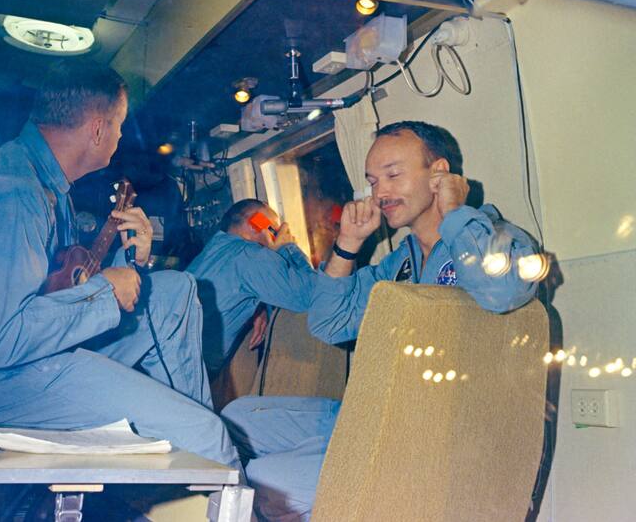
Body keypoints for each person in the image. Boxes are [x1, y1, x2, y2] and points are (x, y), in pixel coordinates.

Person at [0, 60, 240, 468]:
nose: (121, 136)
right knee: (207, 433)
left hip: (19, 360)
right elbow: (2, 340)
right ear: (97, 129)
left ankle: (179, 434)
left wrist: (132, 261)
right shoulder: (15, 195)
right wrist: (107, 289)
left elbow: (57, 293)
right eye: (120, 125)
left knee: (175, 290)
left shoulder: (40, 181)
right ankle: (192, 439)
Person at [221, 121, 540, 521]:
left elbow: (501, 292)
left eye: (393, 175)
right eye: (373, 180)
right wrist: (347, 244)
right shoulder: (400, 262)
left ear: (439, 173)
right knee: (236, 418)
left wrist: (456, 214)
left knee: (267, 479)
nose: (381, 192)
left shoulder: (499, 240)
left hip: (441, 432)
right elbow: (329, 323)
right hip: (387, 412)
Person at [186, 199, 316, 376]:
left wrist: (258, 306)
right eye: (274, 230)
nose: (276, 235)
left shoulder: (217, 247)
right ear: (256, 225)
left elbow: (233, 284)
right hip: (190, 369)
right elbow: (311, 296)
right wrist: (288, 247)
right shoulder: (251, 256)